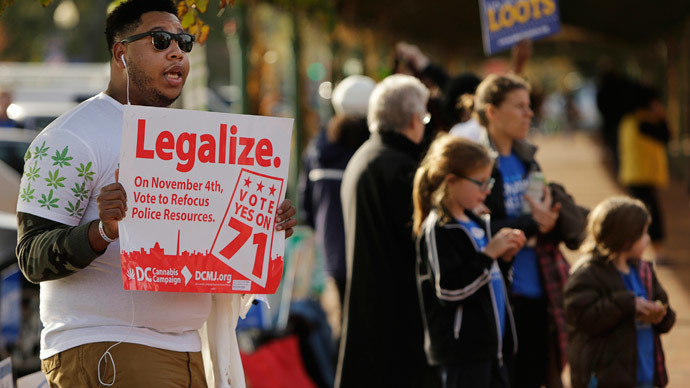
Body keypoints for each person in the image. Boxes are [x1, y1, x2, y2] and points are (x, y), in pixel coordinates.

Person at [15, 1, 296, 387]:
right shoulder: (70, 138)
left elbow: (213, 248)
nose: (177, 51)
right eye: (160, 40)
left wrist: (264, 227)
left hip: (190, 351)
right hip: (109, 348)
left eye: (183, 41)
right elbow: (32, 257)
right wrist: (104, 231)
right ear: (121, 54)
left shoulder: (197, 141)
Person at [335, 74, 438, 387]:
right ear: (412, 119)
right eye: (424, 116)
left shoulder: (364, 157)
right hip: (400, 314)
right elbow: (423, 242)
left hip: (371, 306)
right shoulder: (401, 168)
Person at [474, 74, 568, 388]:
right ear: (492, 112)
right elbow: (476, 228)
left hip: (539, 287)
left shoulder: (527, 158)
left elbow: (539, 217)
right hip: (504, 293)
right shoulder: (475, 166)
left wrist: (551, 221)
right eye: (519, 107)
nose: (529, 114)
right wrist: (533, 224)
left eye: (529, 106)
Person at [412, 134, 526, 388]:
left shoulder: (474, 221)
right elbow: (449, 290)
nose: (487, 191)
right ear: (451, 181)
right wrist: (489, 256)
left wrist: (504, 259)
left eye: (490, 182)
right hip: (463, 355)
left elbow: (489, 281)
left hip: (492, 351)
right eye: (481, 183)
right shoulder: (439, 228)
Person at [564, 196, 675, 388]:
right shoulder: (588, 273)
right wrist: (628, 304)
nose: (648, 239)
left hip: (644, 374)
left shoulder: (644, 271)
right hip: (605, 379)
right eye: (643, 234)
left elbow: (665, 310)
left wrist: (661, 315)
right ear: (625, 238)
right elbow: (582, 317)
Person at [299, 74, 373, 309]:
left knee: (342, 320)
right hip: (369, 254)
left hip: (331, 250)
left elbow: (306, 204)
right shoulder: (373, 152)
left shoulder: (317, 148)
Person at [618, 85, 670, 263]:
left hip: (635, 174)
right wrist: (662, 117)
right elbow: (665, 135)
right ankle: (656, 253)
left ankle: (637, 251)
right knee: (650, 216)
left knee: (642, 214)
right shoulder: (643, 122)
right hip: (642, 175)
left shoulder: (629, 121)